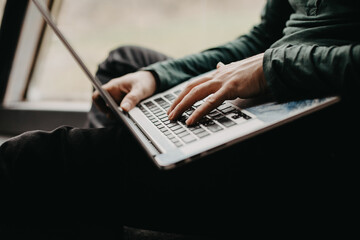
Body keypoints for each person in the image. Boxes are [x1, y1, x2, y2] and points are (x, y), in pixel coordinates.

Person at [1, 0, 359, 239]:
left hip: (320, 129)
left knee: (28, 160)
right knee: (124, 65)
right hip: (274, 90)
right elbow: (265, 37)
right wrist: (159, 77)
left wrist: (271, 68)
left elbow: (272, 55)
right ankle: (144, 195)